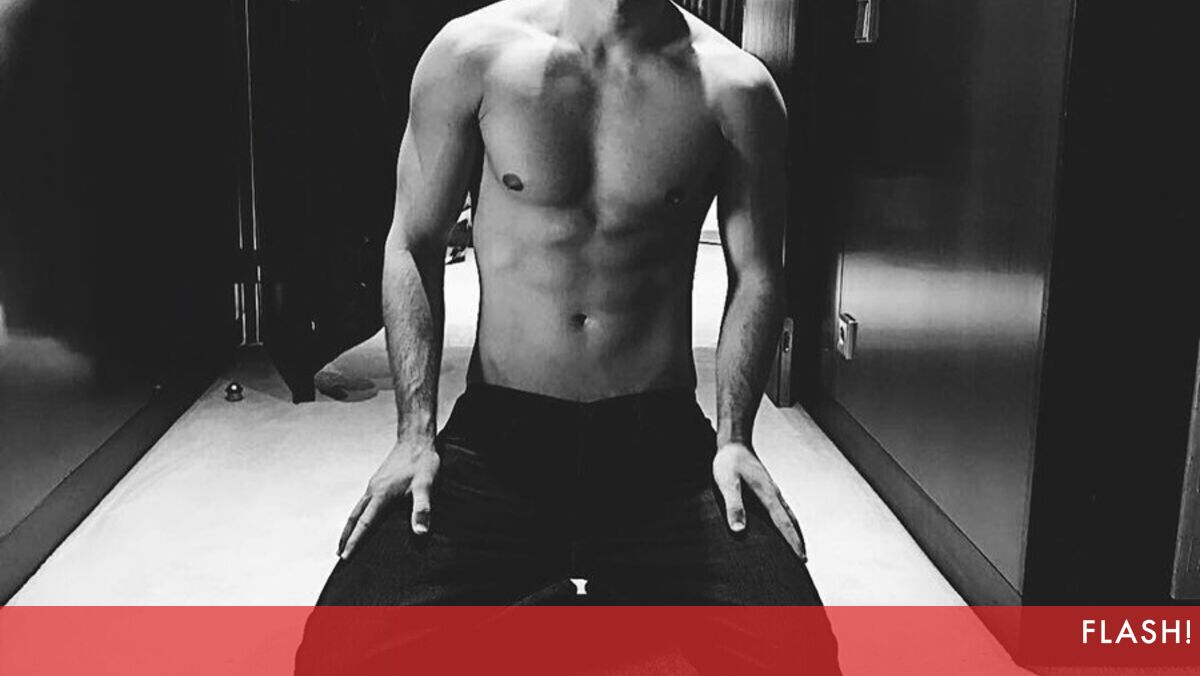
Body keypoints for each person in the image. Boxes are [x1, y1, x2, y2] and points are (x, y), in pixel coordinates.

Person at [297, 0, 840, 672]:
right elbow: (412, 242)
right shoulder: (473, 55)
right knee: (336, 657)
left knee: (800, 658)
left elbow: (756, 274)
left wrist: (735, 439)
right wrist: (414, 435)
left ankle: (580, 611)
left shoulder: (735, 87)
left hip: (660, 451)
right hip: (500, 442)